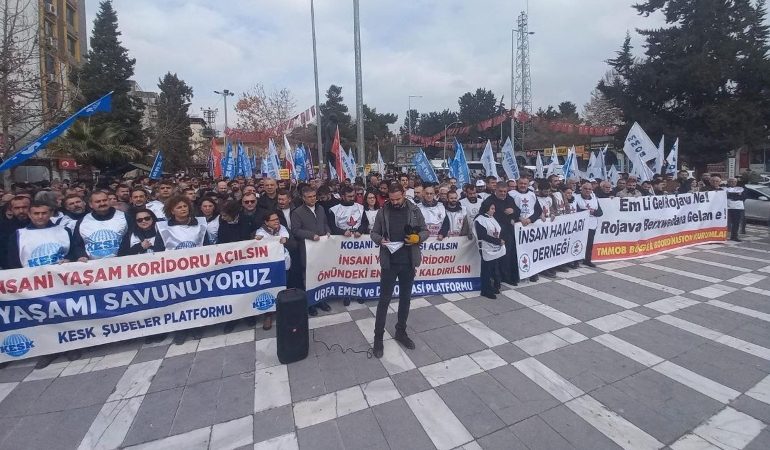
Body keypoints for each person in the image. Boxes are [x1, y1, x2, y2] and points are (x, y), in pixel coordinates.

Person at [369, 184, 429, 359]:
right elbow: (373, 233)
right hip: (389, 263)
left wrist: (418, 238)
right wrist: (381, 240)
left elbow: (425, 231)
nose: (394, 202)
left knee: (405, 299)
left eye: (397, 198)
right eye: (391, 199)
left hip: (408, 262)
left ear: (404, 194)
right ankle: (378, 337)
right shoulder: (383, 211)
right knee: (384, 301)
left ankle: (400, 331)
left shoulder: (415, 211)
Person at [290, 186, 332, 316]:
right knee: (308, 277)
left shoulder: (320, 209)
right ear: (303, 198)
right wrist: (310, 235)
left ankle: (321, 300)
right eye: (309, 197)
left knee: (321, 274)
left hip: (321, 249)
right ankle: (310, 303)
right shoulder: (297, 212)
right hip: (307, 249)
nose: (313, 199)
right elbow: (295, 231)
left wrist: (328, 231)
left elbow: (325, 223)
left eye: (314, 196)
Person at [254, 211, 294, 330]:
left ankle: (284, 312)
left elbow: (287, 238)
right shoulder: (261, 232)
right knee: (270, 290)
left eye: (277, 219)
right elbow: (257, 243)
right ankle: (269, 315)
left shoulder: (282, 228)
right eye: (273, 220)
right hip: (269, 268)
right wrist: (257, 240)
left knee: (284, 288)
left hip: (284, 265)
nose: (277, 221)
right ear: (266, 222)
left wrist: (285, 240)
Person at [72, 191, 128, 261]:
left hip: (121, 264)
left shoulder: (124, 217)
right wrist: (81, 255)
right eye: (98, 202)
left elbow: (131, 238)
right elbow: (77, 244)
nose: (102, 203)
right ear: (91, 204)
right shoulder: (82, 222)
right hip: (94, 266)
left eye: (105, 200)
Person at [480, 183, 518, 285]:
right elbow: (481, 216)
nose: (503, 193)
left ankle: (506, 276)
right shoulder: (488, 201)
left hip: (508, 232)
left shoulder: (509, 199)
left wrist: (513, 211)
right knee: (495, 257)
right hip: (494, 234)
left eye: (505, 191)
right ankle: (496, 278)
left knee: (507, 255)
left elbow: (518, 211)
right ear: (495, 190)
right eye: (500, 191)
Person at [510, 176, 543, 282]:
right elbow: (509, 209)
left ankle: (532, 272)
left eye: (525, 184)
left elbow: (538, 210)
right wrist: (519, 218)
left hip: (530, 227)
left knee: (531, 250)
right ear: (517, 184)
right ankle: (517, 274)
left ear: (528, 184)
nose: (523, 185)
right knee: (516, 251)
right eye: (521, 183)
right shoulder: (511, 195)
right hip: (517, 226)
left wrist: (530, 220)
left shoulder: (532, 195)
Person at [474, 202, 505, 299]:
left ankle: (491, 286)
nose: (494, 211)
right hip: (485, 247)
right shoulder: (480, 220)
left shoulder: (491, 217)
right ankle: (485, 290)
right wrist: (498, 241)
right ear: (487, 208)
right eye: (492, 208)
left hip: (494, 247)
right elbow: (483, 236)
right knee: (486, 270)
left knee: (492, 268)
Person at [575, 182, 603, 268]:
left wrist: (593, 212)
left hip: (592, 224)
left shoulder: (594, 198)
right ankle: (575, 260)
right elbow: (575, 211)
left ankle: (587, 260)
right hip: (580, 225)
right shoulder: (576, 198)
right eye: (585, 189)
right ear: (581, 189)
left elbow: (600, 212)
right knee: (577, 242)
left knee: (589, 243)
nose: (587, 191)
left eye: (589, 189)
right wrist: (587, 211)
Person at [726, 177, 745, 242]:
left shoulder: (741, 189)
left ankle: (734, 236)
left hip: (738, 208)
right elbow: (725, 196)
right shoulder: (724, 188)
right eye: (731, 181)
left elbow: (743, 197)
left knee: (736, 223)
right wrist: (736, 196)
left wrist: (732, 196)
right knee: (726, 223)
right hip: (727, 207)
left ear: (736, 182)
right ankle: (724, 236)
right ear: (728, 182)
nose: (732, 183)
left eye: (734, 181)